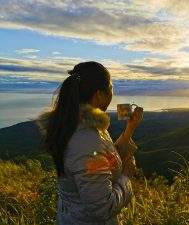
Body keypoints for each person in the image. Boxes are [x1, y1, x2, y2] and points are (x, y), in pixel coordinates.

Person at [35, 61, 143, 225]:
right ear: (99, 94)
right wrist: (126, 177)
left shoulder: (80, 126)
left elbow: (103, 158)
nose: (112, 93)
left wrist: (130, 129)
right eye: (111, 88)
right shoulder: (86, 140)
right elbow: (102, 209)